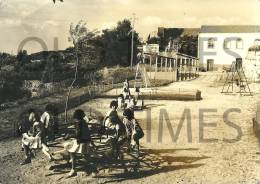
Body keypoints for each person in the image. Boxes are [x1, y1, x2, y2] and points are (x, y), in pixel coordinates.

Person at [66, 109, 93, 177]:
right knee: (83, 155)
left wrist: (69, 136)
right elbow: (86, 132)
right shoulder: (84, 122)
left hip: (81, 141)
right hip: (85, 140)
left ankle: (74, 169)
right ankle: (86, 169)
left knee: (72, 152)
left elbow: (78, 134)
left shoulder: (78, 123)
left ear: (76, 116)